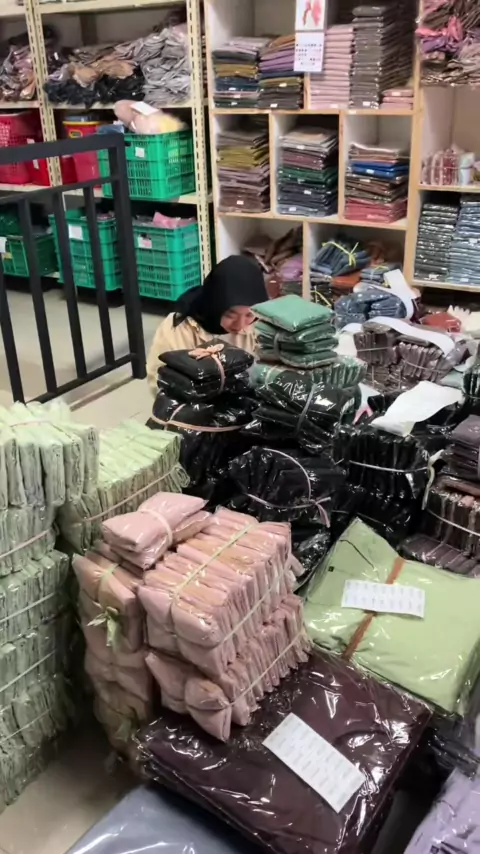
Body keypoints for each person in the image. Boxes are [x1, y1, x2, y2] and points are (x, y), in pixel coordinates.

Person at [146, 254, 268, 395]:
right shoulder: (180, 328)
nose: (240, 324)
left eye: (249, 315)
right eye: (230, 314)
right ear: (215, 304)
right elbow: (161, 380)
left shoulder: (260, 323)